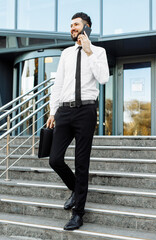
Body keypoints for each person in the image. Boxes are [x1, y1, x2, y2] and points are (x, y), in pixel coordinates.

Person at [46, 12, 109, 230]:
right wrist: (53, 111)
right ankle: (76, 189)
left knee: (82, 164)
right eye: (71, 25)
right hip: (64, 111)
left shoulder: (99, 52)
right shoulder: (66, 53)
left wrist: (89, 51)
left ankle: (78, 213)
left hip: (86, 112)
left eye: (76, 24)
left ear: (87, 27)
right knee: (54, 159)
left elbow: (103, 78)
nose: (72, 28)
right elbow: (58, 84)